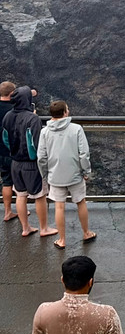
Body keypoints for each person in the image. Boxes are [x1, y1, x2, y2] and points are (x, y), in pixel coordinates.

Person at [38, 100, 95, 248]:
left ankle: (62, 240)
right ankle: (86, 232)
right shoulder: (76, 129)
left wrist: (45, 174)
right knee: (81, 202)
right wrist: (86, 171)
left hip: (54, 175)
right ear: (65, 112)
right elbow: (84, 154)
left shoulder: (44, 132)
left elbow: (41, 157)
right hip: (75, 174)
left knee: (59, 206)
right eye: (67, 109)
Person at [2, 84, 57, 238]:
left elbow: (6, 139)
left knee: (20, 195)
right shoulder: (33, 119)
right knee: (40, 196)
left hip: (15, 162)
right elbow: (37, 144)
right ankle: (44, 228)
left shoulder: (8, 116)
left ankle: (25, 228)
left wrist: (15, 152)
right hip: (31, 164)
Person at [0, 80, 17, 222]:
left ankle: (7, 212)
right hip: (15, 152)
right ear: (12, 94)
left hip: (1, 151)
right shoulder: (15, 110)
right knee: (20, 183)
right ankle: (21, 209)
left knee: (6, 182)